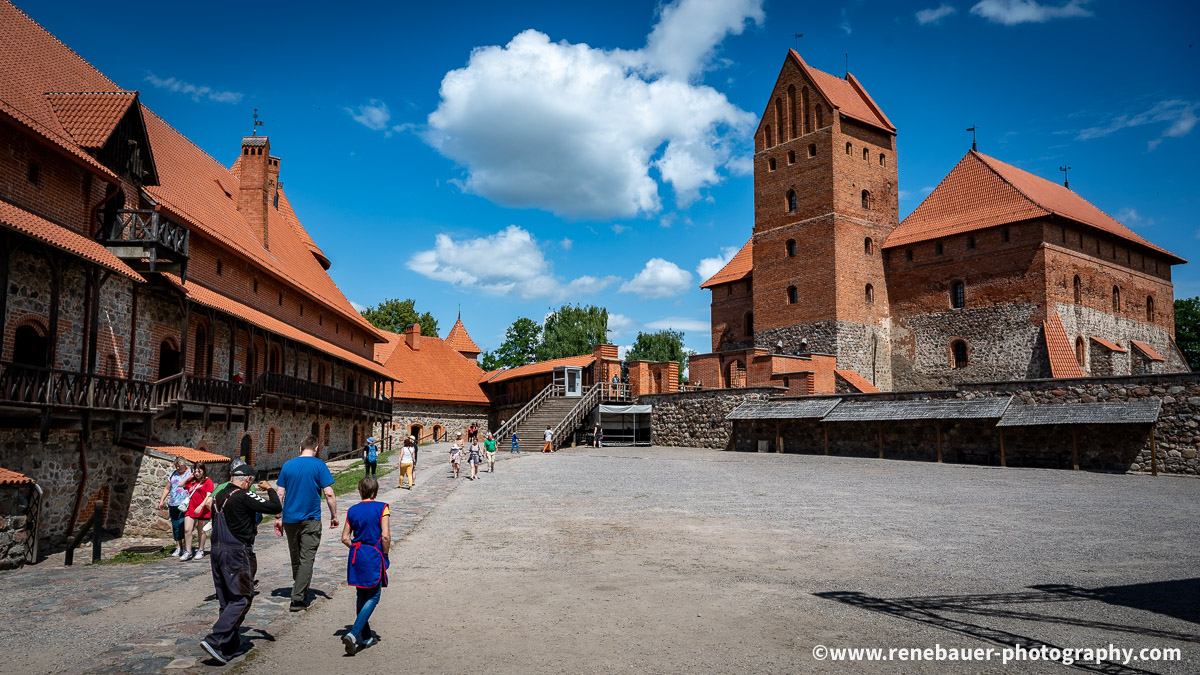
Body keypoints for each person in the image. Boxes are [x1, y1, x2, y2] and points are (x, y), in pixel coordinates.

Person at [199, 462, 281, 664]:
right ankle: (215, 639)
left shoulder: (218, 496)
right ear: (248, 480)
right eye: (250, 482)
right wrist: (270, 489)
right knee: (241, 598)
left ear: (231, 477)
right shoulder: (243, 495)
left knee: (227, 600)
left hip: (216, 550)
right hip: (236, 552)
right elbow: (275, 507)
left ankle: (228, 647)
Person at [274, 434, 338, 612]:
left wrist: (278, 517)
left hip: (290, 519)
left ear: (300, 448)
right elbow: (329, 493)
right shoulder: (319, 465)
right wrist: (334, 515)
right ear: (316, 448)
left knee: (296, 557)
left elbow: (279, 494)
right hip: (311, 519)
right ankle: (297, 599)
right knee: (306, 559)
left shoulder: (288, 465)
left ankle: (299, 587)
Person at [340, 477, 390, 655]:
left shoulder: (352, 510)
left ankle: (367, 637)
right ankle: (354, 633)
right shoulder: (382, 508)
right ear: (375, 491)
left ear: (360, 491)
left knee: (361, 595)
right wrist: (385, 555)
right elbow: (385, 536)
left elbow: (345, 538)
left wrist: (356, 548)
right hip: (374, 554)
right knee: (374, 596)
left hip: (357, 555)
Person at [157, 456, 192, 557]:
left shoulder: (191, 473)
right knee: (176, 526)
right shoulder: (173, 474)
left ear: (184, 465)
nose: (177, 468)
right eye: (176, 466)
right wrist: (161, 500)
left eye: (179, 466)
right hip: (173, 504)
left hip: (186, 504)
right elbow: (167, 488)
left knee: (184, 526)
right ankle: (179, 547)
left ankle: (186, 546)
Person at [181, 464, 214, 561]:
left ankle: (201, 550)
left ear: (203, 471)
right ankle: (188, 551)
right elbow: (180, 484)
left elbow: (208, 495)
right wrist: (188, 477)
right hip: (191, 508)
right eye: (195, 471)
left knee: (201, 530)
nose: (197, 473)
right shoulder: (191, 481)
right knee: (187, 529)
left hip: (203, 509)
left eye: (199, 471)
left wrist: (201, 506)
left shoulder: (208, 481)